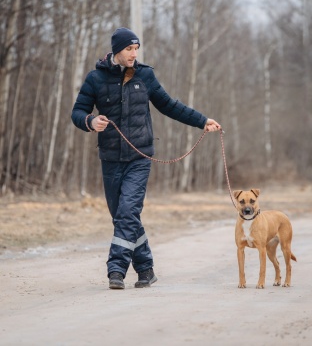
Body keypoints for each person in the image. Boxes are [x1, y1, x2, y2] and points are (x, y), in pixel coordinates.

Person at [71, 27, 221, 290]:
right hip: (110, 158)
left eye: (136, 48)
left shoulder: (145, 76)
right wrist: (90, 121)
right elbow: (78, 111)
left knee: (128, 212)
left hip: (140, 158)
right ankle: (146, 268)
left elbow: (170, 105)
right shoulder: (95, 79)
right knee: (122, 216)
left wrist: (202, 121)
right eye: (129, 49)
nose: (134, 53)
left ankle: (116, 270)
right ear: (117, 51)